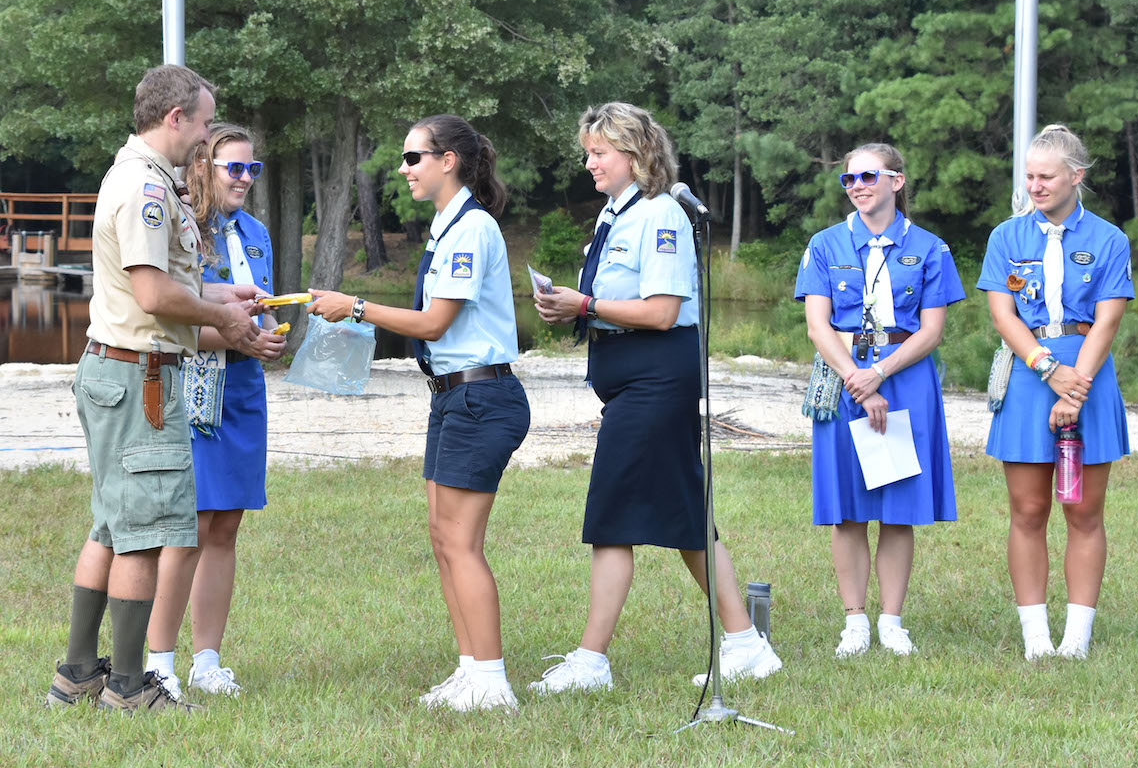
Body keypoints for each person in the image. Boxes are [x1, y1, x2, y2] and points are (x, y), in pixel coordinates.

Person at [531, 102, 781, 692]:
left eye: (600, 152)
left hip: (656, 378)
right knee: (685, 514)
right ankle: (746, 643)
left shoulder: (659, 213)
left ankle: (591, 662)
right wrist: (569, 306)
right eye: (587, 152)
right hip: (630, 376)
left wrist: (585, 305)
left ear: (636, 155)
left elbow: (663, 312)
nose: (589, 163)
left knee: (612, 516)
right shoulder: (615, 214)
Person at [45, 65, 261, 713]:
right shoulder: (144, 184)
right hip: (142, 375)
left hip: (119, 366)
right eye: (201, 122)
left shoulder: (142, 175)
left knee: (111, 525)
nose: (205, 137)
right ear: (175, 118)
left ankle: (79, 671)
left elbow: (168, 278)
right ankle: (131, 686)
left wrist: (226, 291)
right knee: (141, 532)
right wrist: (222, 317)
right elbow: (152, 292)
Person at [307, 114, 529, 712]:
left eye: (413, 158)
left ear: (447, 160)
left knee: (462, 543)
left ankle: (492, 681)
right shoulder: (445, 225)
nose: (403, 169)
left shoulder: (472, 229)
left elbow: (434, 323)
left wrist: (355, 306)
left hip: (481, 397)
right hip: (451, 396)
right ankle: (469, 669)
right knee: (442, 537)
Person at [795, 143, 965, 658]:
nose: (857, 187)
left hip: (904, 375)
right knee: (847, 508)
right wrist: (855, 377)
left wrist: (880, 374)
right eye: (848, 180)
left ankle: (892, 621)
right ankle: (855, 622)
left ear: (896, 181)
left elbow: (931, 330)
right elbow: (817, 324)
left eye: (868, 176)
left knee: (896, 507)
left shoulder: (930, 247)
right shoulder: (825, 245)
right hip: (845, 375)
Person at [977, 124, 1133, 660]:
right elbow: (1003, 312)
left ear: (1076, 177)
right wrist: (1047, 369)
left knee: (1085, 511)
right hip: (1029, 373)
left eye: (1045, 176)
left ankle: (1077, 639)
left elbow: (1108, 320)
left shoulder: (1110, 239)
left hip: (1089, 372)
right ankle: (1036, 639)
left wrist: (1075, 390)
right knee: (1027, 509)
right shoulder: (1007, 237)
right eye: (1029, 177)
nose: (1035, 186)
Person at [145, 124, 286, 700]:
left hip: (243, 393)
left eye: (253, 169)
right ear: (203, 167)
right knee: (190, 529)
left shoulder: (255, 233)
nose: (246, 180)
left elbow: (263, 307)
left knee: (227, 525)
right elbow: (165, 319)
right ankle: (159, 662)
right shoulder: (181, 230)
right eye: (235, 168)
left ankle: (208, 661)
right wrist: (236, 338)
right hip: (192, 389)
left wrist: (272, 334)